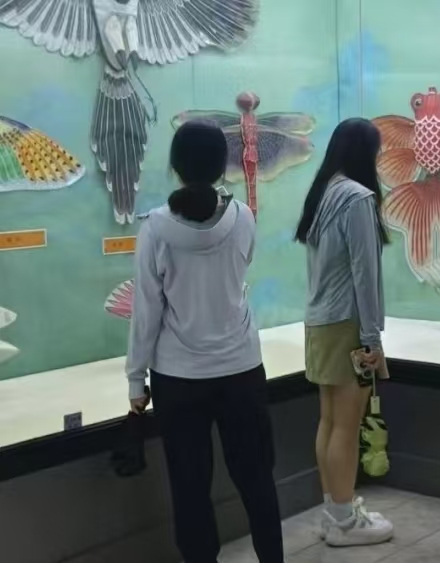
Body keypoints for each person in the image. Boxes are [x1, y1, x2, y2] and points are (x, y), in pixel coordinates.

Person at [126, 122, 284, 563]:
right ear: (222, 165)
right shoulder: (243, 218)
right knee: (257, 479)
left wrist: (136, 380)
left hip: (178, 378)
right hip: (242, 369)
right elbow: (242, 268)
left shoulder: (155, 230)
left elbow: (146, 311)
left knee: (190, 487)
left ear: (176, 166)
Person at [294, 117, 393, 547]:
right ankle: (343, 521)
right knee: (347, 426)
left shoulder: (324, 191)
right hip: (347, 323)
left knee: (330, 420)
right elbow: (363, 272)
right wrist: (372, 337)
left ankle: (334, 510)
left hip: (319, 321)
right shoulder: (356, 198)